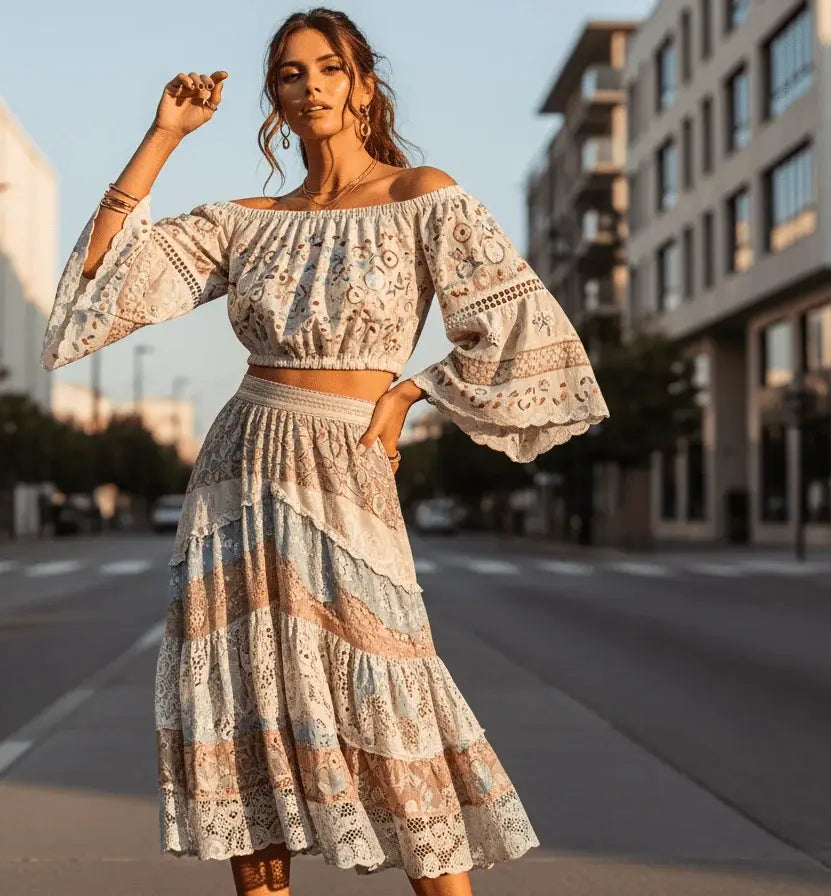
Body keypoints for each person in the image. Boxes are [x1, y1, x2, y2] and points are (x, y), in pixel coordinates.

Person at [40, 9, 609, 894]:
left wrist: (413, 391)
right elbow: (102, 288)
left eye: (328, 70)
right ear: (275, 97)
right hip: (242, 467)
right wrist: (163, 136)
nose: (309, 88)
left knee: (393, 693)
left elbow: (521, 332)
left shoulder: (422, 194)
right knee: (248, 696)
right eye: (290, 75)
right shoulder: (248, 219)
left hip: (346, 465)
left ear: (362, 84)